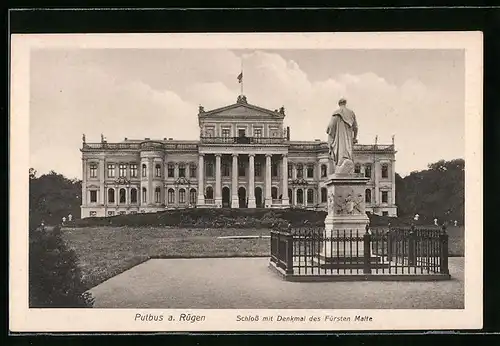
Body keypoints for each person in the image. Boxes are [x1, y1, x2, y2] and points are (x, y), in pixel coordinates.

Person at [326, 98, 358, 174]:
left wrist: (328, 132)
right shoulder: (351, 113)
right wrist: (354, 138)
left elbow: (330, 127)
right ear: (345, 103)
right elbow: (355, 127)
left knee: (340, 153)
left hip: (339, 139)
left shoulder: (336, 113)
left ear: (339, 104)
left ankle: (341, 164)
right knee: (348, 153)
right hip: (348, 140)